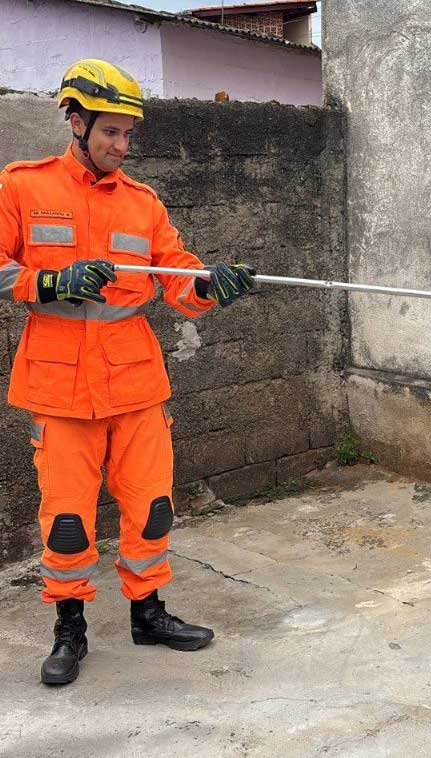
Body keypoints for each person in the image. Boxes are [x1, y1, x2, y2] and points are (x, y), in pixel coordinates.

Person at [0, 59, 256, 685]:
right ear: (77, 122)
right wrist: (50, 281)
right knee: (67, 521)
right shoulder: (22, 187)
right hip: (60, 387)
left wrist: (210, 284)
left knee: (151, 508)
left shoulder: (143, 204)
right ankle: (70, 629)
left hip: (136, 382)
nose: (121, 145)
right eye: (111, 131)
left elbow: (176, 275)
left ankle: (149, 613)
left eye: (128, 134)